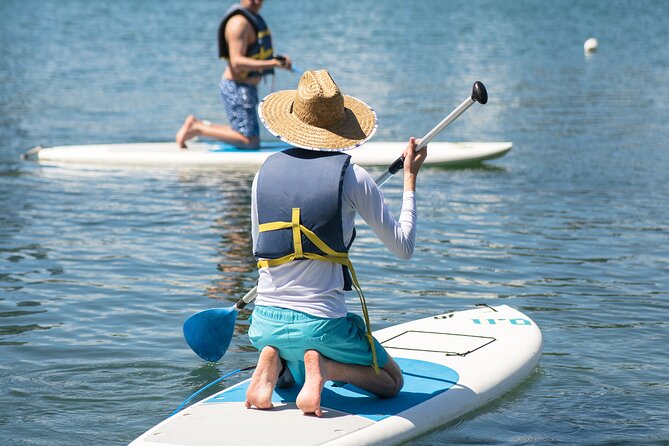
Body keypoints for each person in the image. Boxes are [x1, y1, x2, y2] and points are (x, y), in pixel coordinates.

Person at [244, 69, 427, 417]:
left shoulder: (262, 174)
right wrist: (411, 180)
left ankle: (272, 361)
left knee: (292, 366)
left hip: (264, 320)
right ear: (341, 126)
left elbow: (260, 251)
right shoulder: (353, 176)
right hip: (322, 323)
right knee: (391, 382)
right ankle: (327, 369)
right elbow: (403, 248)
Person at [176, 0, 292, 149]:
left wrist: (278, 60)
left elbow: (255, 53)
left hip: (246, 88)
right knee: (250, 142)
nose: (257, 1)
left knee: (246, 134)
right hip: (237, 87)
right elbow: (237, 62)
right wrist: (272, 64)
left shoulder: (252, 19)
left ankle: (197, 125)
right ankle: (198, 129)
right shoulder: (239, 23)